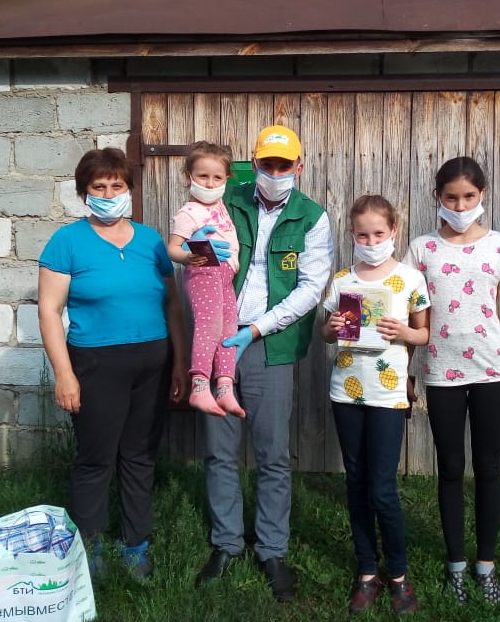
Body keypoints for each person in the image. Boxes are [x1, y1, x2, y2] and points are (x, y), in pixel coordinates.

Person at [195, 125, 334, 602]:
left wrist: (256, 329)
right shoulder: (227, 199)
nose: (275, 172)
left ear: (299, 166)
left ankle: (272, 549)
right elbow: (195, 251)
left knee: (272, 453)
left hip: (270, 344)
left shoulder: (312, 217)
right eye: (267, 164)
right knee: (219, 449)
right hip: (218, 339)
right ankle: (226, 543)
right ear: (253, 163)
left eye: (284, 165)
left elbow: (311, 289)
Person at [37, 147, 187, 581]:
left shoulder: (151, 240)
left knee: (140, 455)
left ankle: (136, 545)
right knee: (95, 457)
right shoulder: (67, 241)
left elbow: (172, 305)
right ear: (84, 193)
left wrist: (179, 363)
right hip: (95, 363)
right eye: (98, 187)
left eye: (116, 185)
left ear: (129, 190)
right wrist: (64, 374)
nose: (108, 194)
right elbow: (49, 310)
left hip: (152, 362)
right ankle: (91, 546)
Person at [402, 156, 500, 606]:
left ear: (482, 195)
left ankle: (485, 565)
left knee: (488, 468)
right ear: (437, 197)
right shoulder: (421, 250)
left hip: (492, 371)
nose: (460, 206)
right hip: (442, 374)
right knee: (451, 468)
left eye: (469, 197)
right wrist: (405, 373)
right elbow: (412, 316)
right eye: (451, 197)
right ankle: (456, 564)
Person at [320, 195, 430, 615]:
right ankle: (367, 571)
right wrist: (331, 327)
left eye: (378, 233)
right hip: (346, 392)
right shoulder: (343, 280)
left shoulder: (410, 279)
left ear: (394, 230)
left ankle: (398, 575)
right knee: (356, 481)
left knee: (382, 488)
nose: (371, 241)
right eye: (362, 235)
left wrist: (404, 332)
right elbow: (326, 334)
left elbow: (423, 334)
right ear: (352, 234)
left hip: (388, 394)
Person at [166, 141, 246, 419]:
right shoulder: (189, 212)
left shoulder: (220, 205)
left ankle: (224, 386)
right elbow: (172, 249)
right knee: (208, 326)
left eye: (217, 177)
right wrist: (189, 254)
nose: (210, 184)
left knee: (228, 330)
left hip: (225, 275)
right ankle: (200, 385)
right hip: (204, 269)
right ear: (189, 176)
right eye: (202, 176)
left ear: (226, 179)